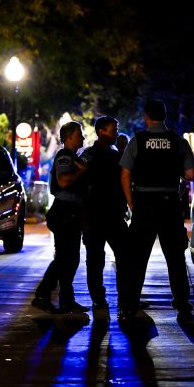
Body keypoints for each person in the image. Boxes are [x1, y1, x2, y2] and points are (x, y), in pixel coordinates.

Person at [120, 98, 194, 324]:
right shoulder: (178, 142)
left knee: (138, 259)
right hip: (169, 205)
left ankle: (130, 305)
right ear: (165, 116)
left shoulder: (137, 141)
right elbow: (191, 175)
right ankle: (183, 305)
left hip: (144, 203)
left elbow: (124, 174)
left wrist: (131, 203)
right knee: (175, 258)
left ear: (146, 117)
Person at [31, 120, 91, 314]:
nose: (82, 137)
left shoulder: (74, 156)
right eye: (79, 134)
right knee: (65, 258)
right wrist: (82, 171)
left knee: (71, 259)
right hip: (65, 211)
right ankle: (43, 294)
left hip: (71, 211)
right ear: (69, 137)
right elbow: (64, 181)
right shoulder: (65, 156)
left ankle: (66, 300)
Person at [79, 116, 130, 311]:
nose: (116, 133)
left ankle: (121, 297)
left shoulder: (115, 154)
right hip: (95, 215)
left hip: (114, 215)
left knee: (121, 257)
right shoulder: (89, 155)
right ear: (101, 131)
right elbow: (81, 185)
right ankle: (100, 297)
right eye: (113, 129)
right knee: (95, 259)